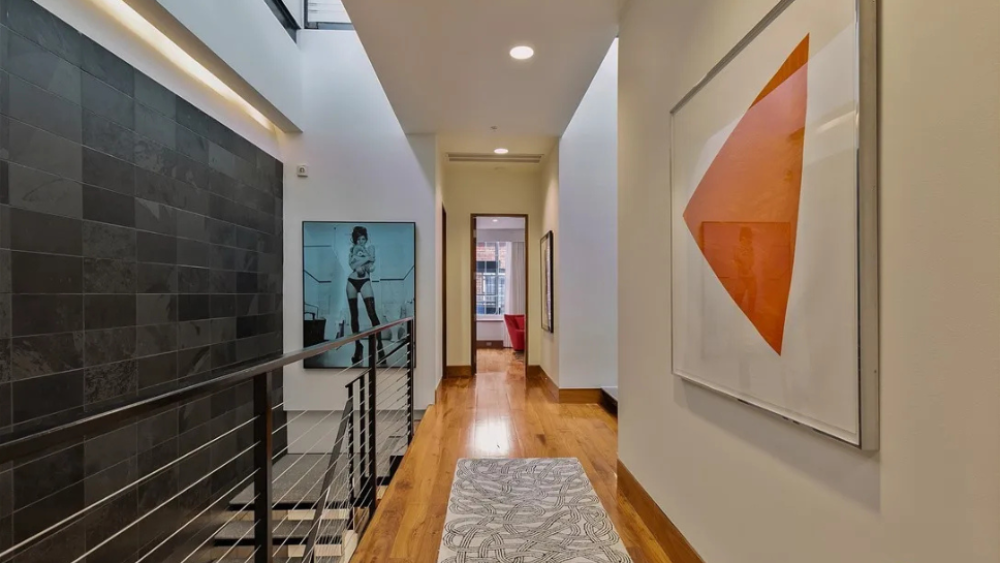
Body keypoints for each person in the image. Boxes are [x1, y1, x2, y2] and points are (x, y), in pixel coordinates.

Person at [346, 226, 386, 365]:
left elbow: (369, 266)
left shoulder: (371, 248)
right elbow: (352, 266)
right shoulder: (352, 250)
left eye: (363, 239)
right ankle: (358, 346)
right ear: (355, 239)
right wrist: (365, 259)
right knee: (354, 315)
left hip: (364, 281)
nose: (361, 241)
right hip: (351, 281)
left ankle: (380, 345)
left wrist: (360, 259)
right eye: (358, 239)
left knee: (372, 313)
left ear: (366, 239)